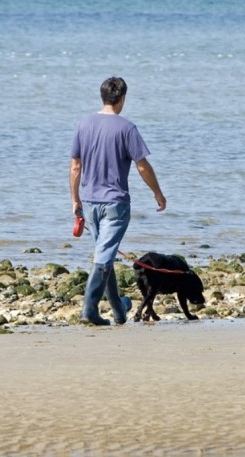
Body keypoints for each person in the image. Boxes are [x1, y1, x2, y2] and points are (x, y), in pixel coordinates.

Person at [70, 77, 167, 325]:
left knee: (105, 254)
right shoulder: (126, 128)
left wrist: (75, 199)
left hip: (90, 201)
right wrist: (158, 192)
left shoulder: (84, 124)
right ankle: (89, 310)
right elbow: (142, 166)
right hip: (115, 204)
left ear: (102, 97)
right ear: (122, 99)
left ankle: (118, 310)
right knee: (104, 256)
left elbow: (75, 166)